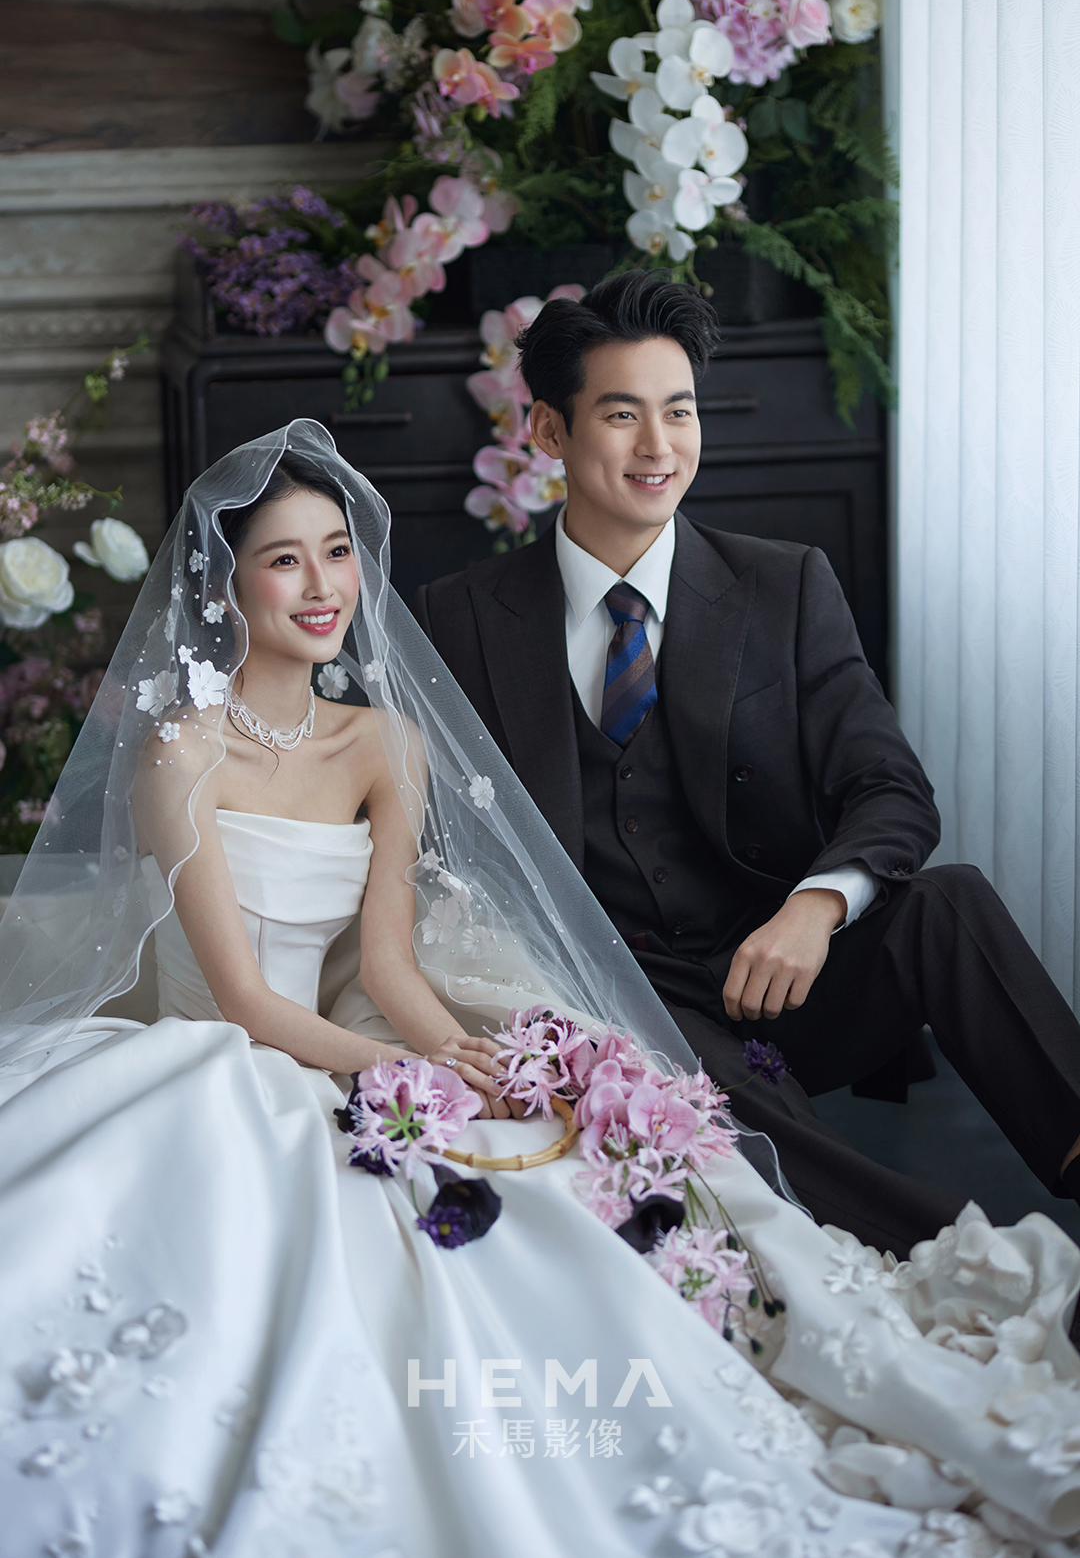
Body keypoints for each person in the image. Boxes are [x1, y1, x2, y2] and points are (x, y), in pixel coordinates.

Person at [3, 420, 1080, 1558]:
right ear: (225, 587)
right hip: (233, 1055)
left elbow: (387, 962)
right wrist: (405, 1067)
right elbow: (243, 999)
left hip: (358, 1030)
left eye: (337, 551)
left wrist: (470, 1058)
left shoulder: (384, 742)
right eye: (284, 559)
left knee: (553, 1156)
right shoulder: (183, 752)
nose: (322, 586)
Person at [416, 270, 1080, 1260]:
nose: (659, 445)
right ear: (550, 431)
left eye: (679, 411)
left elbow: (891, 789)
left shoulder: (783, 584)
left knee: (950, 904)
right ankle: (959, 1260)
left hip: (781, 972)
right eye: (623, 414)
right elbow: (432, 843)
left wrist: (815, 907)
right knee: (714, 1103)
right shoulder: (458, 617)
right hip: (612, 995)